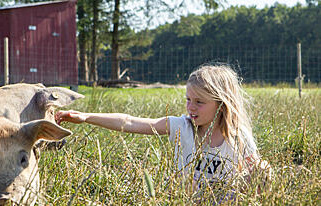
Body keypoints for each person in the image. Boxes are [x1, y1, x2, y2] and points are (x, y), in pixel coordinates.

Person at [55, 64, 271, 192]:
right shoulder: (181, 127)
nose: (190, 107)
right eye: (188, 99)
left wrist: (260, 175)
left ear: (221, 105)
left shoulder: (237, 137)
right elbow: (130, 122)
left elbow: (258, 173)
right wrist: (86, 117)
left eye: (199, 102)